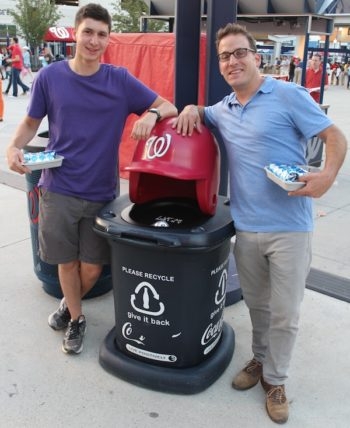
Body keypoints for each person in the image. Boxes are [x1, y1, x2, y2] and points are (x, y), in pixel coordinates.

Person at [174, 23, 347, 424]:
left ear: (256, 56)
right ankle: (261, 359)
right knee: (258, 305)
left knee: (286, 311)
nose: (232, 61)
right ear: (220, 66)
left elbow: (337, 137)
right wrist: (188, 109)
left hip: (290, 228)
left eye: (239, 53)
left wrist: (325, 177)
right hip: (247, 228)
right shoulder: (225, 108)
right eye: (224, 56)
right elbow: (201, 112)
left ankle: (277, 380)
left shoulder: (287, 95)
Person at [6, 3, 177, 355]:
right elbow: (30, 122)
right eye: (88, 32)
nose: (94, 40)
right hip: (59, 187)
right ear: (76, 34)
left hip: (101, 192)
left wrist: (152, 114)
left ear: (107, 38)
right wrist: (12, 148)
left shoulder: (119, 80)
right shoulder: (50, 77)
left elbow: (168, 105)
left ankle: (69, 305)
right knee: (65, 262)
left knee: (93, 267)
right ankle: (77, 319)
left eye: (101, 34)